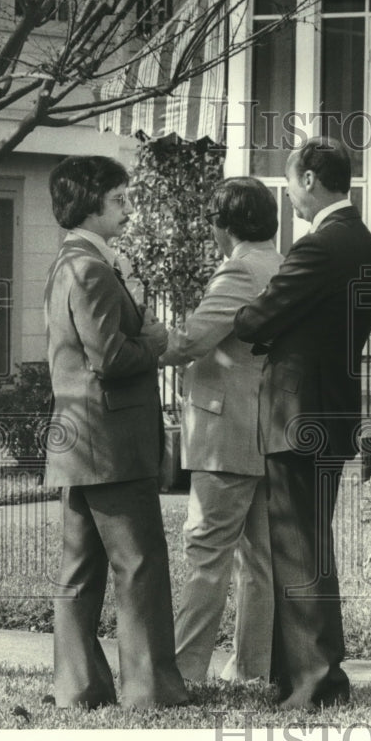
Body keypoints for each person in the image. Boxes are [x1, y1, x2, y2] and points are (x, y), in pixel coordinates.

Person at [233, 137, 371, 709]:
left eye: (292, 181)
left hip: (297, 415)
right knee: (308, 547)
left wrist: (253, 319)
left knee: (296, 549)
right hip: (333, 409)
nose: (290, 192)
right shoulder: (364, 243)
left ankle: (315, 681)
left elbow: (258, 318)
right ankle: (304, 674)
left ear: (314, 179)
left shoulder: (319, 246)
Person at [43, 156, 188, 709]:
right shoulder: (90, 267)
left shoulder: (71, 262)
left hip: (83, 440)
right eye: (121, 200)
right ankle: (151, 692)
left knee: (80, 571)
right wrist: (152, 340)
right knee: (141, 564)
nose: (130, 210)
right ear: (90, 204)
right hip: (110, 443)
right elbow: (110, 356)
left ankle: (79, 688)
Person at [159, 177, 284, 683]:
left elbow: (190, 341)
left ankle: (184, 672)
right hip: (264, 430)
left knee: (206, 555)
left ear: (224, 225)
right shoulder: (279, 264)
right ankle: (252, 668)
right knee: (258, 560)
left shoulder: (239, 270)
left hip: (224, 434)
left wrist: (138, 342)